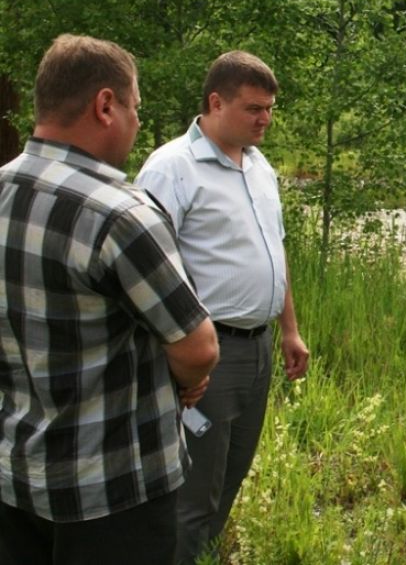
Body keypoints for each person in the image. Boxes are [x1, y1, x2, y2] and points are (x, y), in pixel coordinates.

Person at [0, 34, 219, 565]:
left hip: (13, 478)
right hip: (113, 490)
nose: (138, 123)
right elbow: (197, 349)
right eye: (135, 108)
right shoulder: (119, 214)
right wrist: (188, 385)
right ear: (105, 105)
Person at [135, 50, 309, 564]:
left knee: (230, 475)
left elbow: (274, 252)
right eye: (254, 108)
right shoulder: (172, 169)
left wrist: (290, 330)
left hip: (257, 350)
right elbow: (148, 272)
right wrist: (179, 358)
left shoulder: (259, 167)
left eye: (270, 109)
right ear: (215, 102)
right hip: (206, 356)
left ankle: (206, 556)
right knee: (192, 492)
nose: (265, 119)